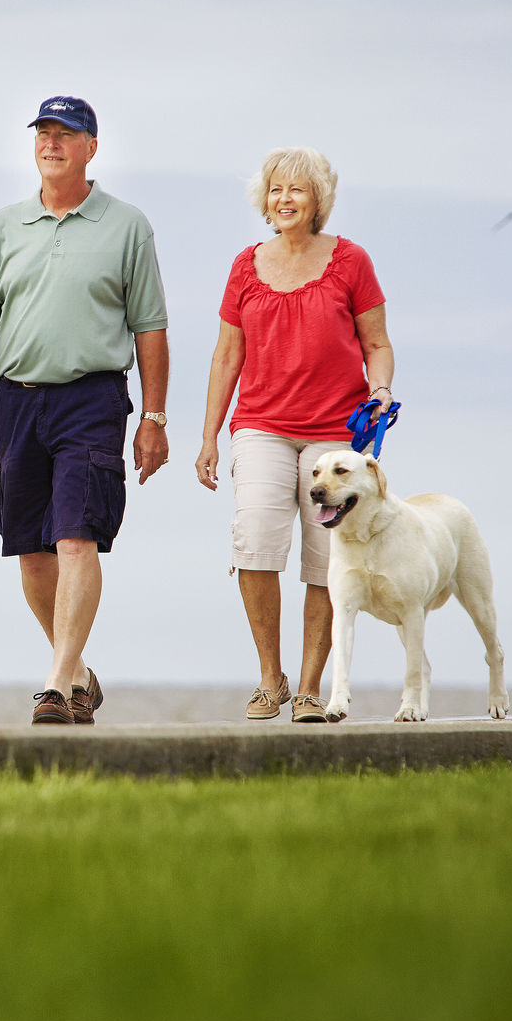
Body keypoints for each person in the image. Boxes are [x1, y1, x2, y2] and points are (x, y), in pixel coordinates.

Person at [0, 96, 171, 724]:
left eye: (66, 134)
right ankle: (79, 673)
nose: (52, 143)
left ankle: (56, 684)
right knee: (32, 549)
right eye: (44, 133)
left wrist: (154, 418)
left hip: (92, 398)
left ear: (91, 147)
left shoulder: (127, 226)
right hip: (16, 400)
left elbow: (150, 328)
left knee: (77, 536)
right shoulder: (3, 227)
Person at [194, 147, 393, 723]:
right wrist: (209, 437)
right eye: (276, 189)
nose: (284, 199)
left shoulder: (350, 261)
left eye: (297, 190)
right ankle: (269, 677)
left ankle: (309, 688)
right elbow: (227, 355)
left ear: (318, 201)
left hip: (336, 433)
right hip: (262, 425)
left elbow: (377, 344)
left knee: (326, 558)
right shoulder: (245, 265)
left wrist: (379, 392)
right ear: (265, 200)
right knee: (255, 535)